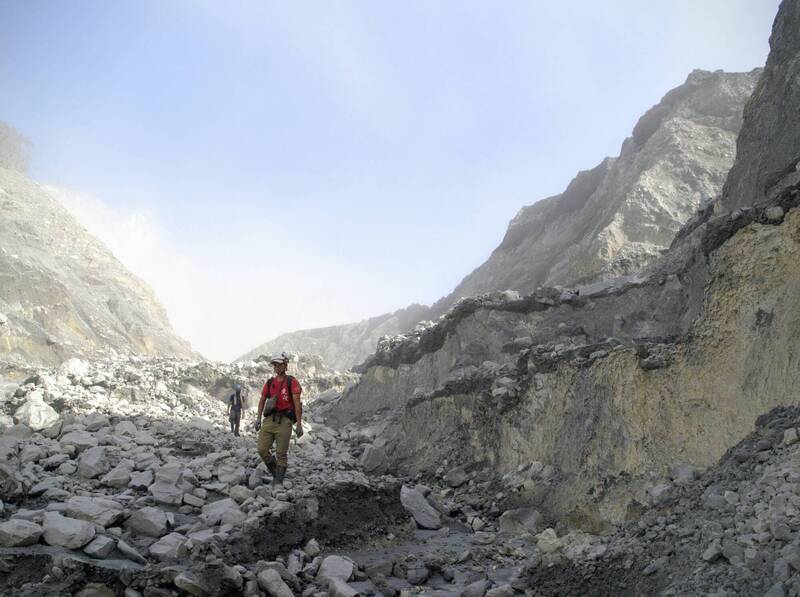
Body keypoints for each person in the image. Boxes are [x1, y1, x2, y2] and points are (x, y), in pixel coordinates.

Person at [254, 352, 303, 486]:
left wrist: (299, 424)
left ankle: (279, 480)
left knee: (281, 453)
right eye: (274, 365)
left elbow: (297, 404)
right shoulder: (270, 383)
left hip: (285, 420)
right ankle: (276, 472)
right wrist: (258, 419)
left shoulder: (292, 382)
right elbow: (262, 400)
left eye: (278, 364)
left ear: (285, 365)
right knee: (262, 449)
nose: (276, 367)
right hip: (270, 419)